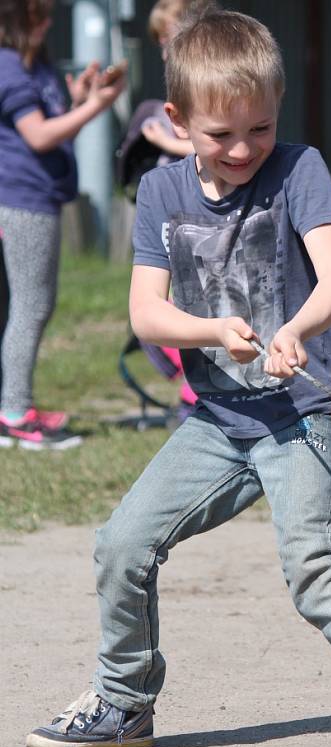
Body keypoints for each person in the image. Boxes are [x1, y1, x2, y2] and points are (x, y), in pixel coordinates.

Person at [25, 10, 331, 747]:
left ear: (278, 110)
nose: (245, 148)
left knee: (312, 564)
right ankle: (124, 703)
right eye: (223, 134)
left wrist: (297, 328)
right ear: (178, 121)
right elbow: (145, 313)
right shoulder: (158, 191)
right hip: (221, 420)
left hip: (306, 416)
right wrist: (212, 332)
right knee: (121, 544)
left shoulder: (299, 171)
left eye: (261, 126)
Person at [0, 0, 125, 449]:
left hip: (40, 200)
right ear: (17, 20)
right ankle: (14, 414)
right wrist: (100, 107)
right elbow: (37, 136)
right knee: (30, 308)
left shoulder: (38, 66)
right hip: (21, 200)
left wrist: (81, 99)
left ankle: (14, 405)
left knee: (33, 306)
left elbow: (52, 125)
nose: (49, 22)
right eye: (39, 16)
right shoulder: (9, 67)